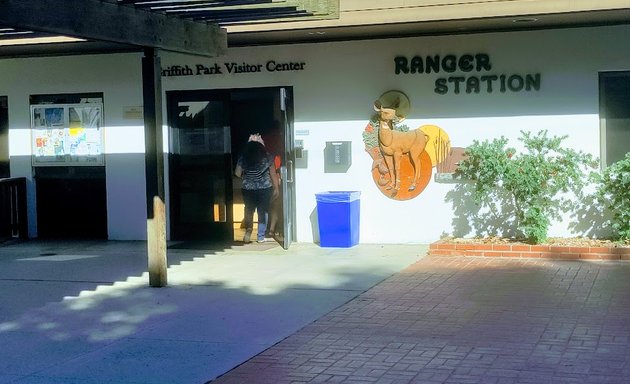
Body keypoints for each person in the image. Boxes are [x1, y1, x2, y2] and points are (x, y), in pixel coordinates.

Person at [235, 134, 279, 243]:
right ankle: (260, 236)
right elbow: (273, 174)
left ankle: (249, 230)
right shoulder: (268, 157)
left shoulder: (243, 157)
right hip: (264, 188)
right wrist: (276, 188)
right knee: (262, 211)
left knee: (249, 209)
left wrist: (247, 175)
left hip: (248, 188)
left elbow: (237, 173)